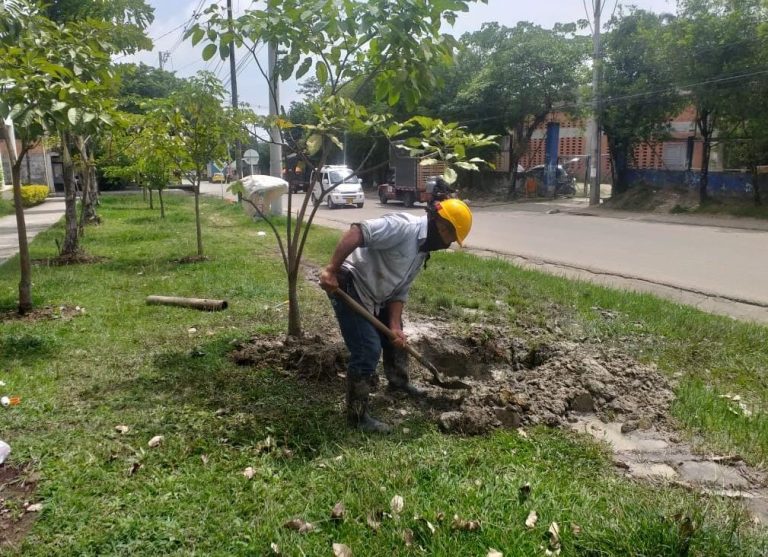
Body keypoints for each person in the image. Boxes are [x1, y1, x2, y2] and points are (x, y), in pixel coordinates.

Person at [319, 197, 473, 433]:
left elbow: (400, 290)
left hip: (379, 295)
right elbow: (358, 232)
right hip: (351, 286)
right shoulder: (404, 227)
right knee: (367, 349)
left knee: (396, 338)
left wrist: (394, 325)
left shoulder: (421, 251)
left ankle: (399, 384)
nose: (449, 244)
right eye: (450, 238)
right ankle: (357, 416)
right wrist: (331, 270)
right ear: (441, 226)